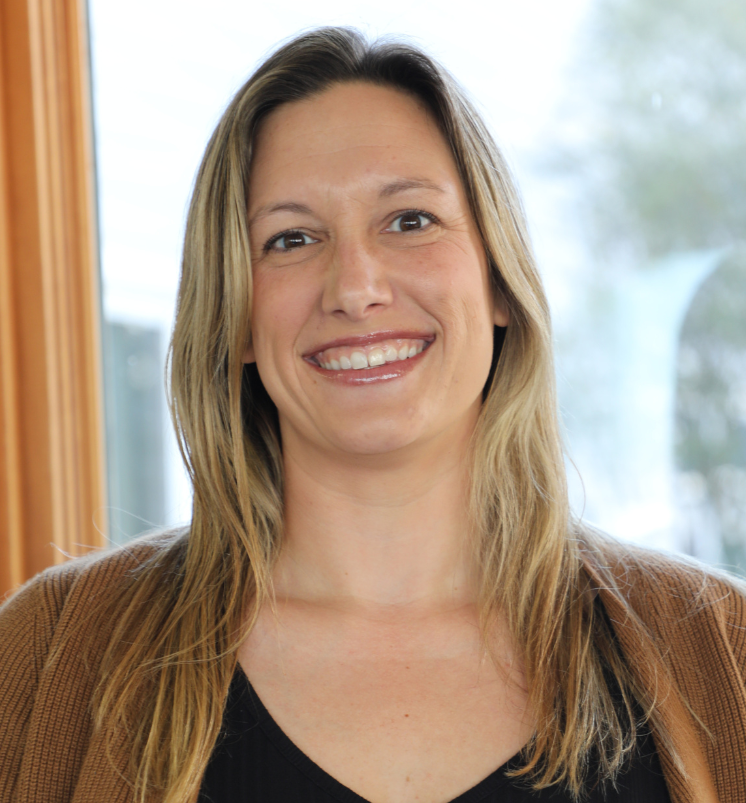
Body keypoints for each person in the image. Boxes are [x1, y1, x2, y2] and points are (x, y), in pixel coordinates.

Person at [1, 26, 744, 803]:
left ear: (496, 278)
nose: (355, 287)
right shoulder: (48, 653)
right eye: (291, 238)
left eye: (410, 220)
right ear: (237, 316)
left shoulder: (723, 650)